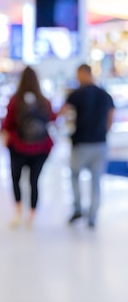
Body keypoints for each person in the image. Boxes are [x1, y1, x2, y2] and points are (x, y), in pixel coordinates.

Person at [60, 64, 114, 229]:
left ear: (84, 73)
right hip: (100, 143)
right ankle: (92, 215)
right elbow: (110, 117)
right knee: (96, 180)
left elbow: (62, 112)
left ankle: (78, 208)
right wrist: (104, 132)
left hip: (81, 143)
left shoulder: (77, 94)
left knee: (75, 175)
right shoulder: (105, 95)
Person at [1, 67, 56, 229]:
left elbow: (6, 124)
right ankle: (32, 216)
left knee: (16, 179)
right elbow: (52, 118)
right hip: (41, 147)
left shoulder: (15, 101)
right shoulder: (44, 101)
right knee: (34, 181)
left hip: (18, 147)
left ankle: (18, 213)